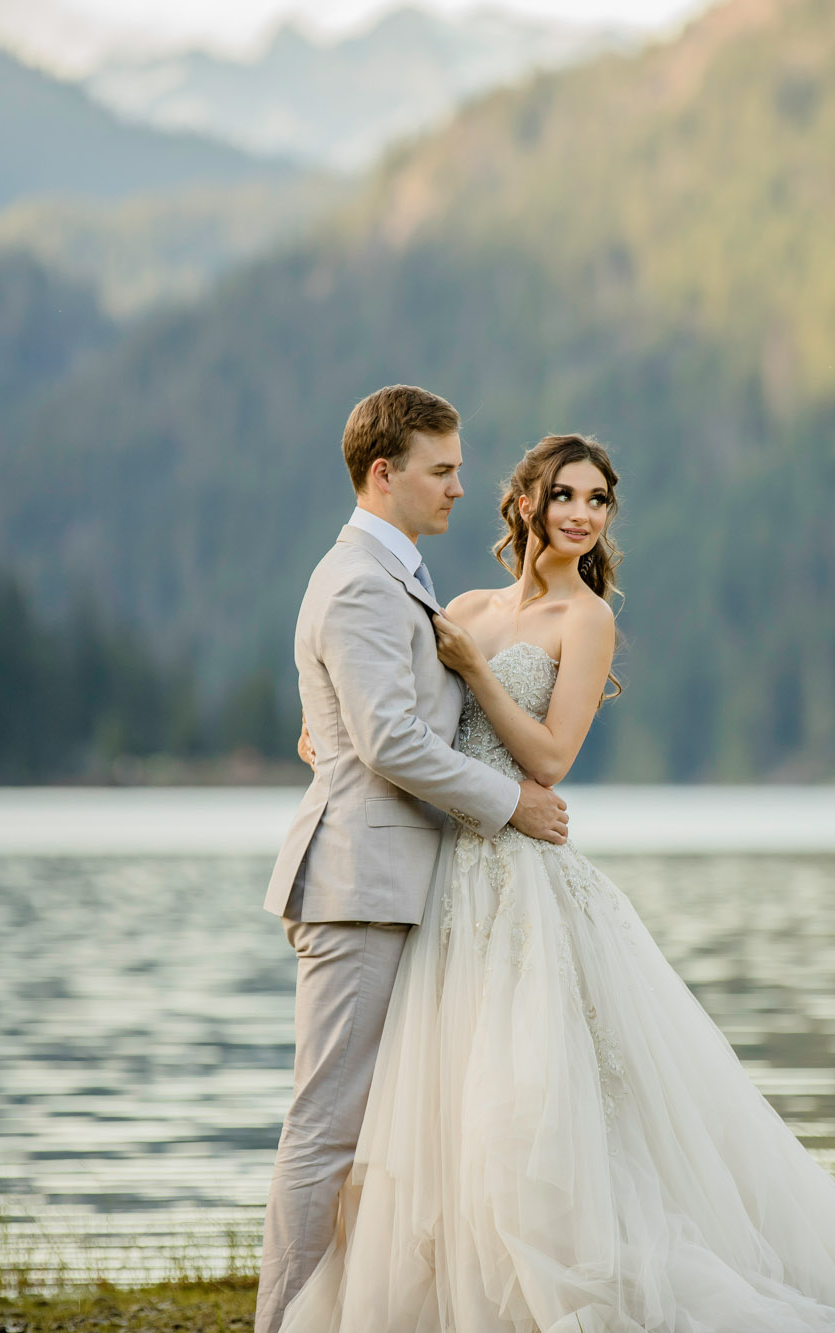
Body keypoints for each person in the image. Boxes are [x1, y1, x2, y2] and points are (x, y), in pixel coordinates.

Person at [277, 433, 835, 1332]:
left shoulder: (584, 621)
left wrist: (477, 674)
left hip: (524, 881)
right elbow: (401, 724)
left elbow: (549, 759)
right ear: (523, 502)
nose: (583, 514)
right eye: (566, 495)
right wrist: (334, 744)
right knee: (454, 1112)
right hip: (445, 883)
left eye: (598, 500)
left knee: (539, 1106)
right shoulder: (466, 603)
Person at [256, 386, 571, 1333]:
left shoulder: (396, 572)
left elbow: (365, 724)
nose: (459, 489)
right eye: (442, 471)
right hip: (359, 885)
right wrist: (511, 800)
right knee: (327, 1129)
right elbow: (389, 741)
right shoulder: (357, 577)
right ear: (383, 473)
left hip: (398, 880)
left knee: (379, 1132)